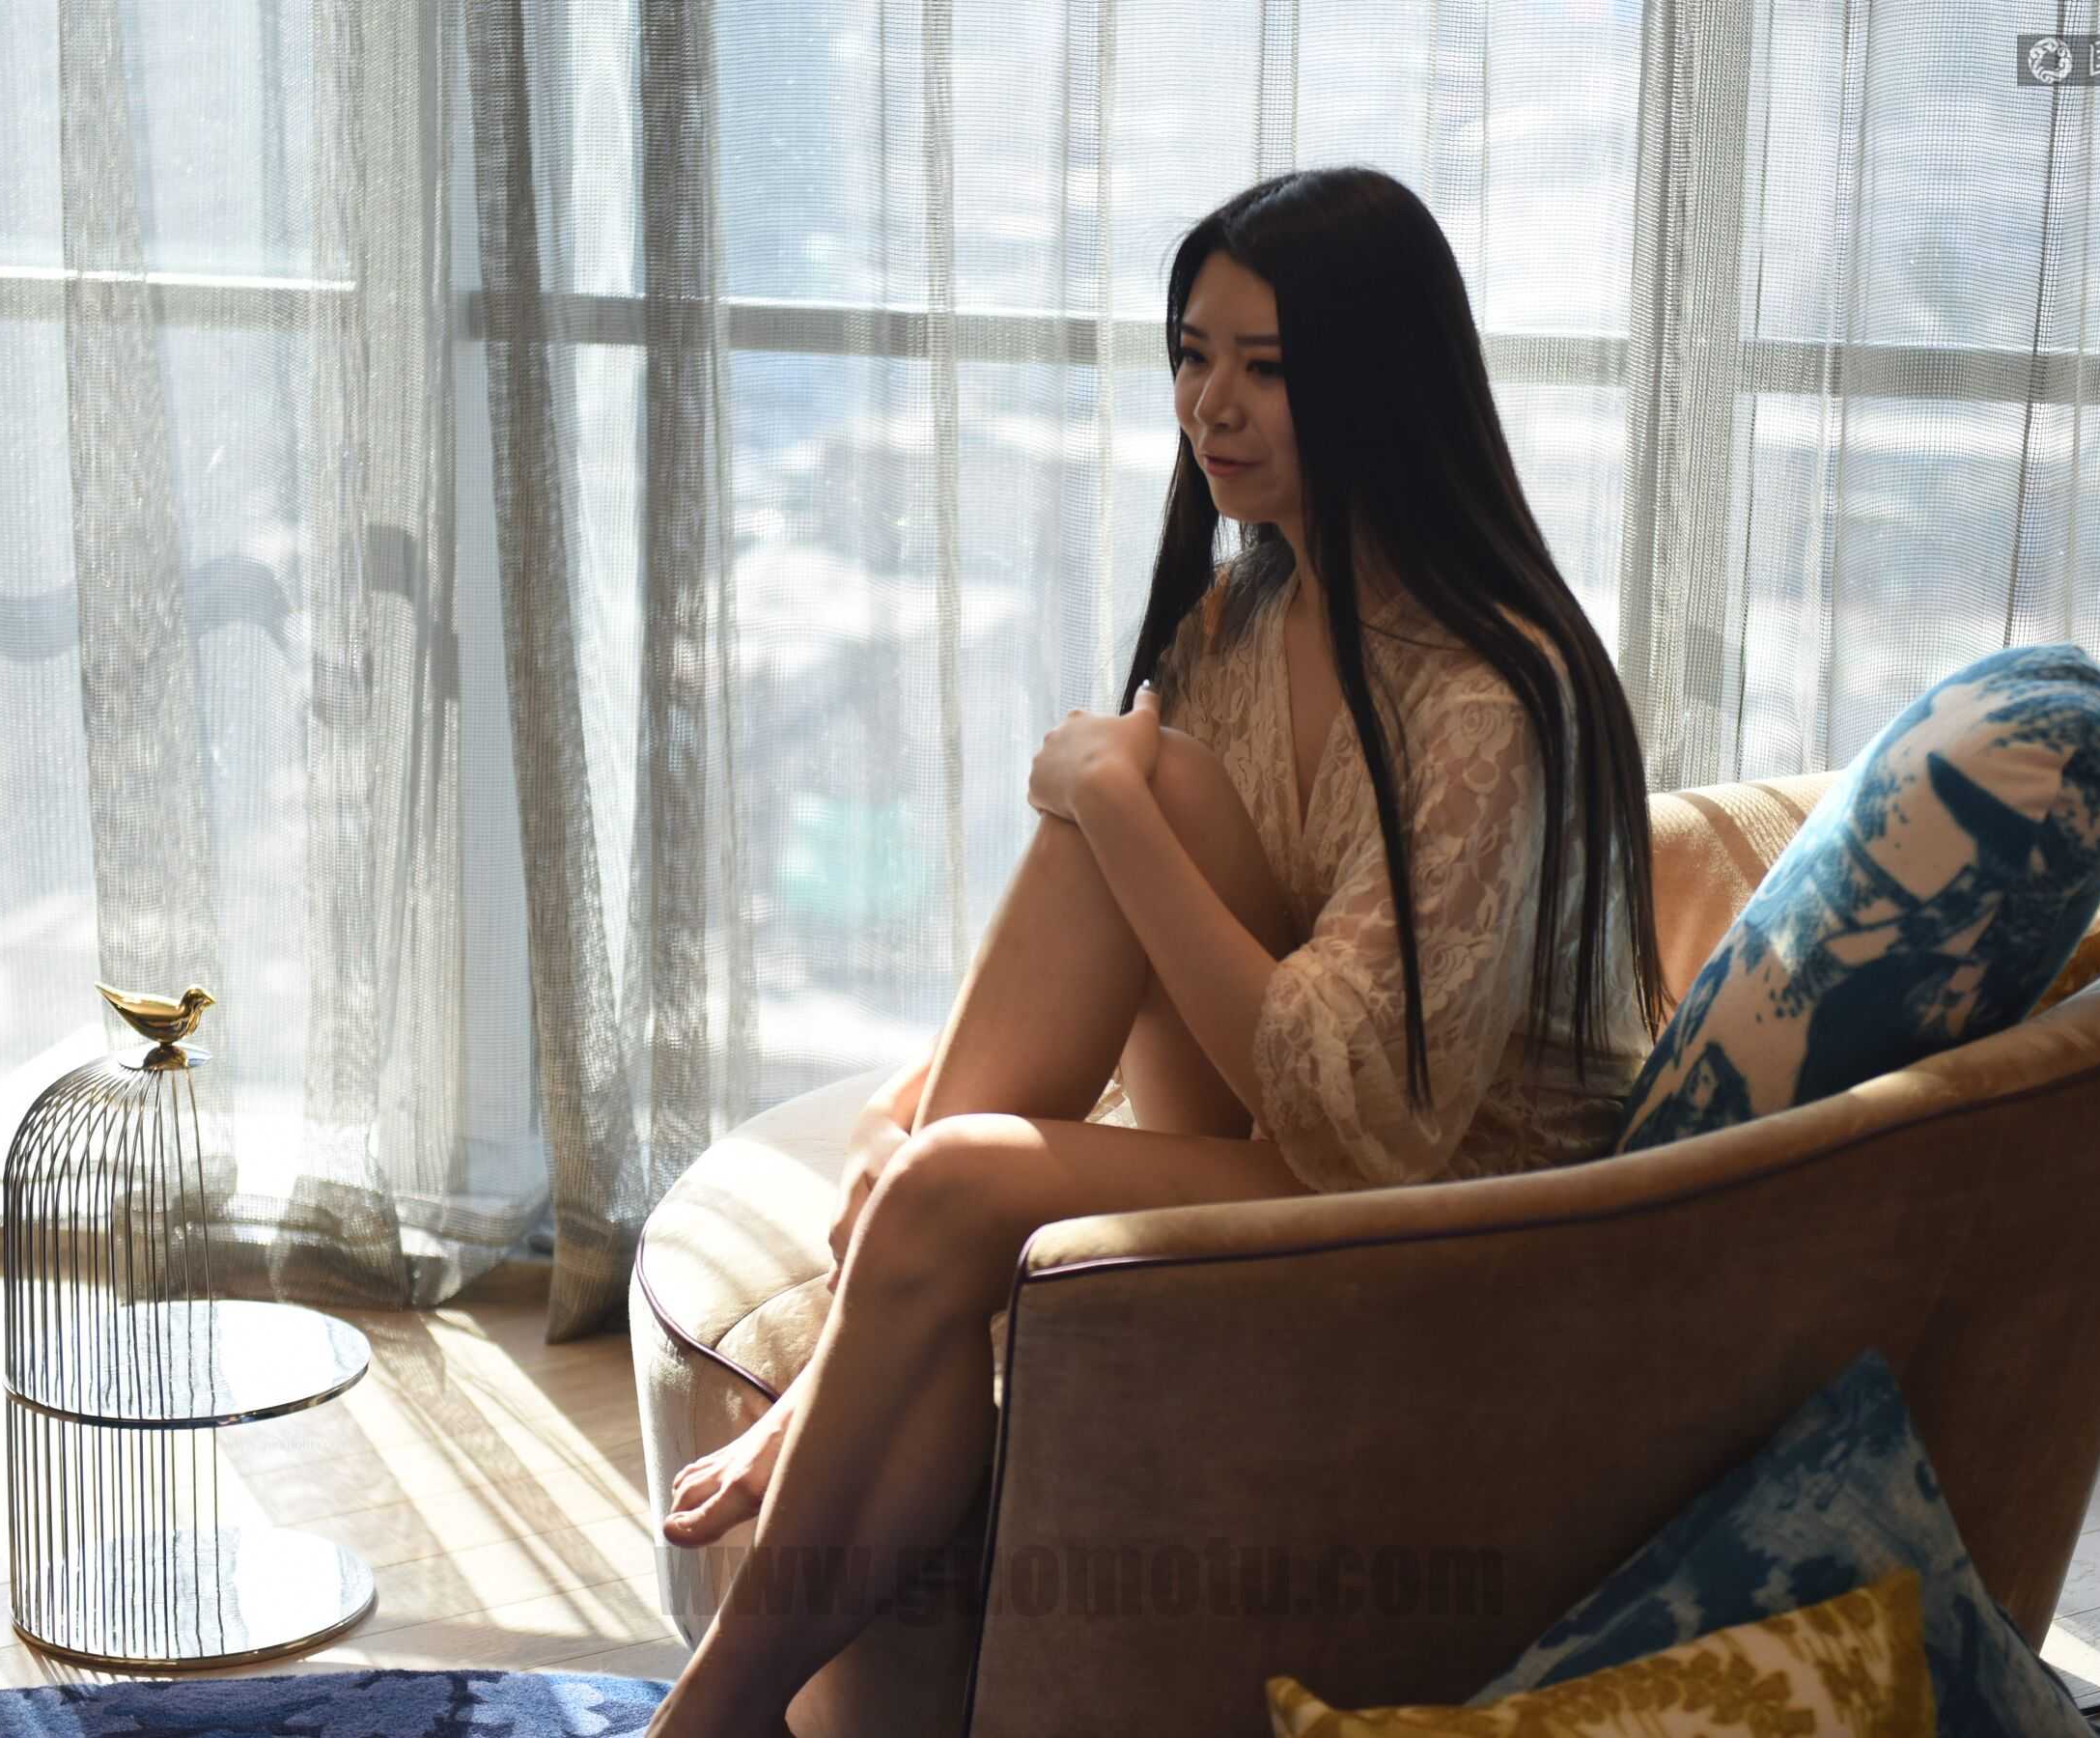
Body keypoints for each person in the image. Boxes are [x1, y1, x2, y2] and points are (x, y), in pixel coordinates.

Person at [641, 165, 1674, 1737]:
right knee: (1121, 827)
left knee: (977, 1118)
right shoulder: (1244, 620)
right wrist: (912, 1102)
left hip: (1454, 1211)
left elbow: (1377, 1124)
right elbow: (1139, 945)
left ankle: (711, 1707)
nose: (1212, 405)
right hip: (1295, 1139)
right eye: (1193, 355)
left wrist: (1113, 804)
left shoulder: (1485, 692)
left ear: (1380, 381)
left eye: (1267, 366)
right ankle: (866, 1362)